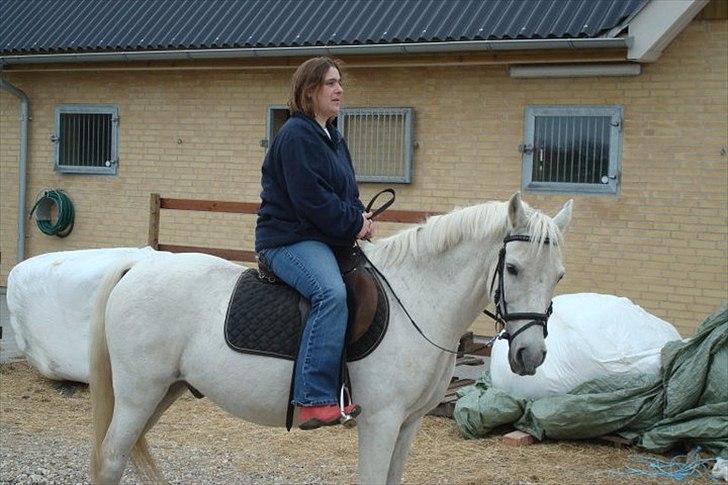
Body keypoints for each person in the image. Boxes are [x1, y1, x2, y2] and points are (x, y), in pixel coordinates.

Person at [255, 57, 376, 430]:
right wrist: (352, 222)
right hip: (288, 239)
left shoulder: (333, 137)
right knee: (330, 294)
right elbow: (311, 200)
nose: (339, 90)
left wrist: (360, 217)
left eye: (340, 83)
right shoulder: (295, 135)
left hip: (323, 238)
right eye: (330, 84)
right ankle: (313, 398)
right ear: (310, 91)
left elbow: (347, 193)